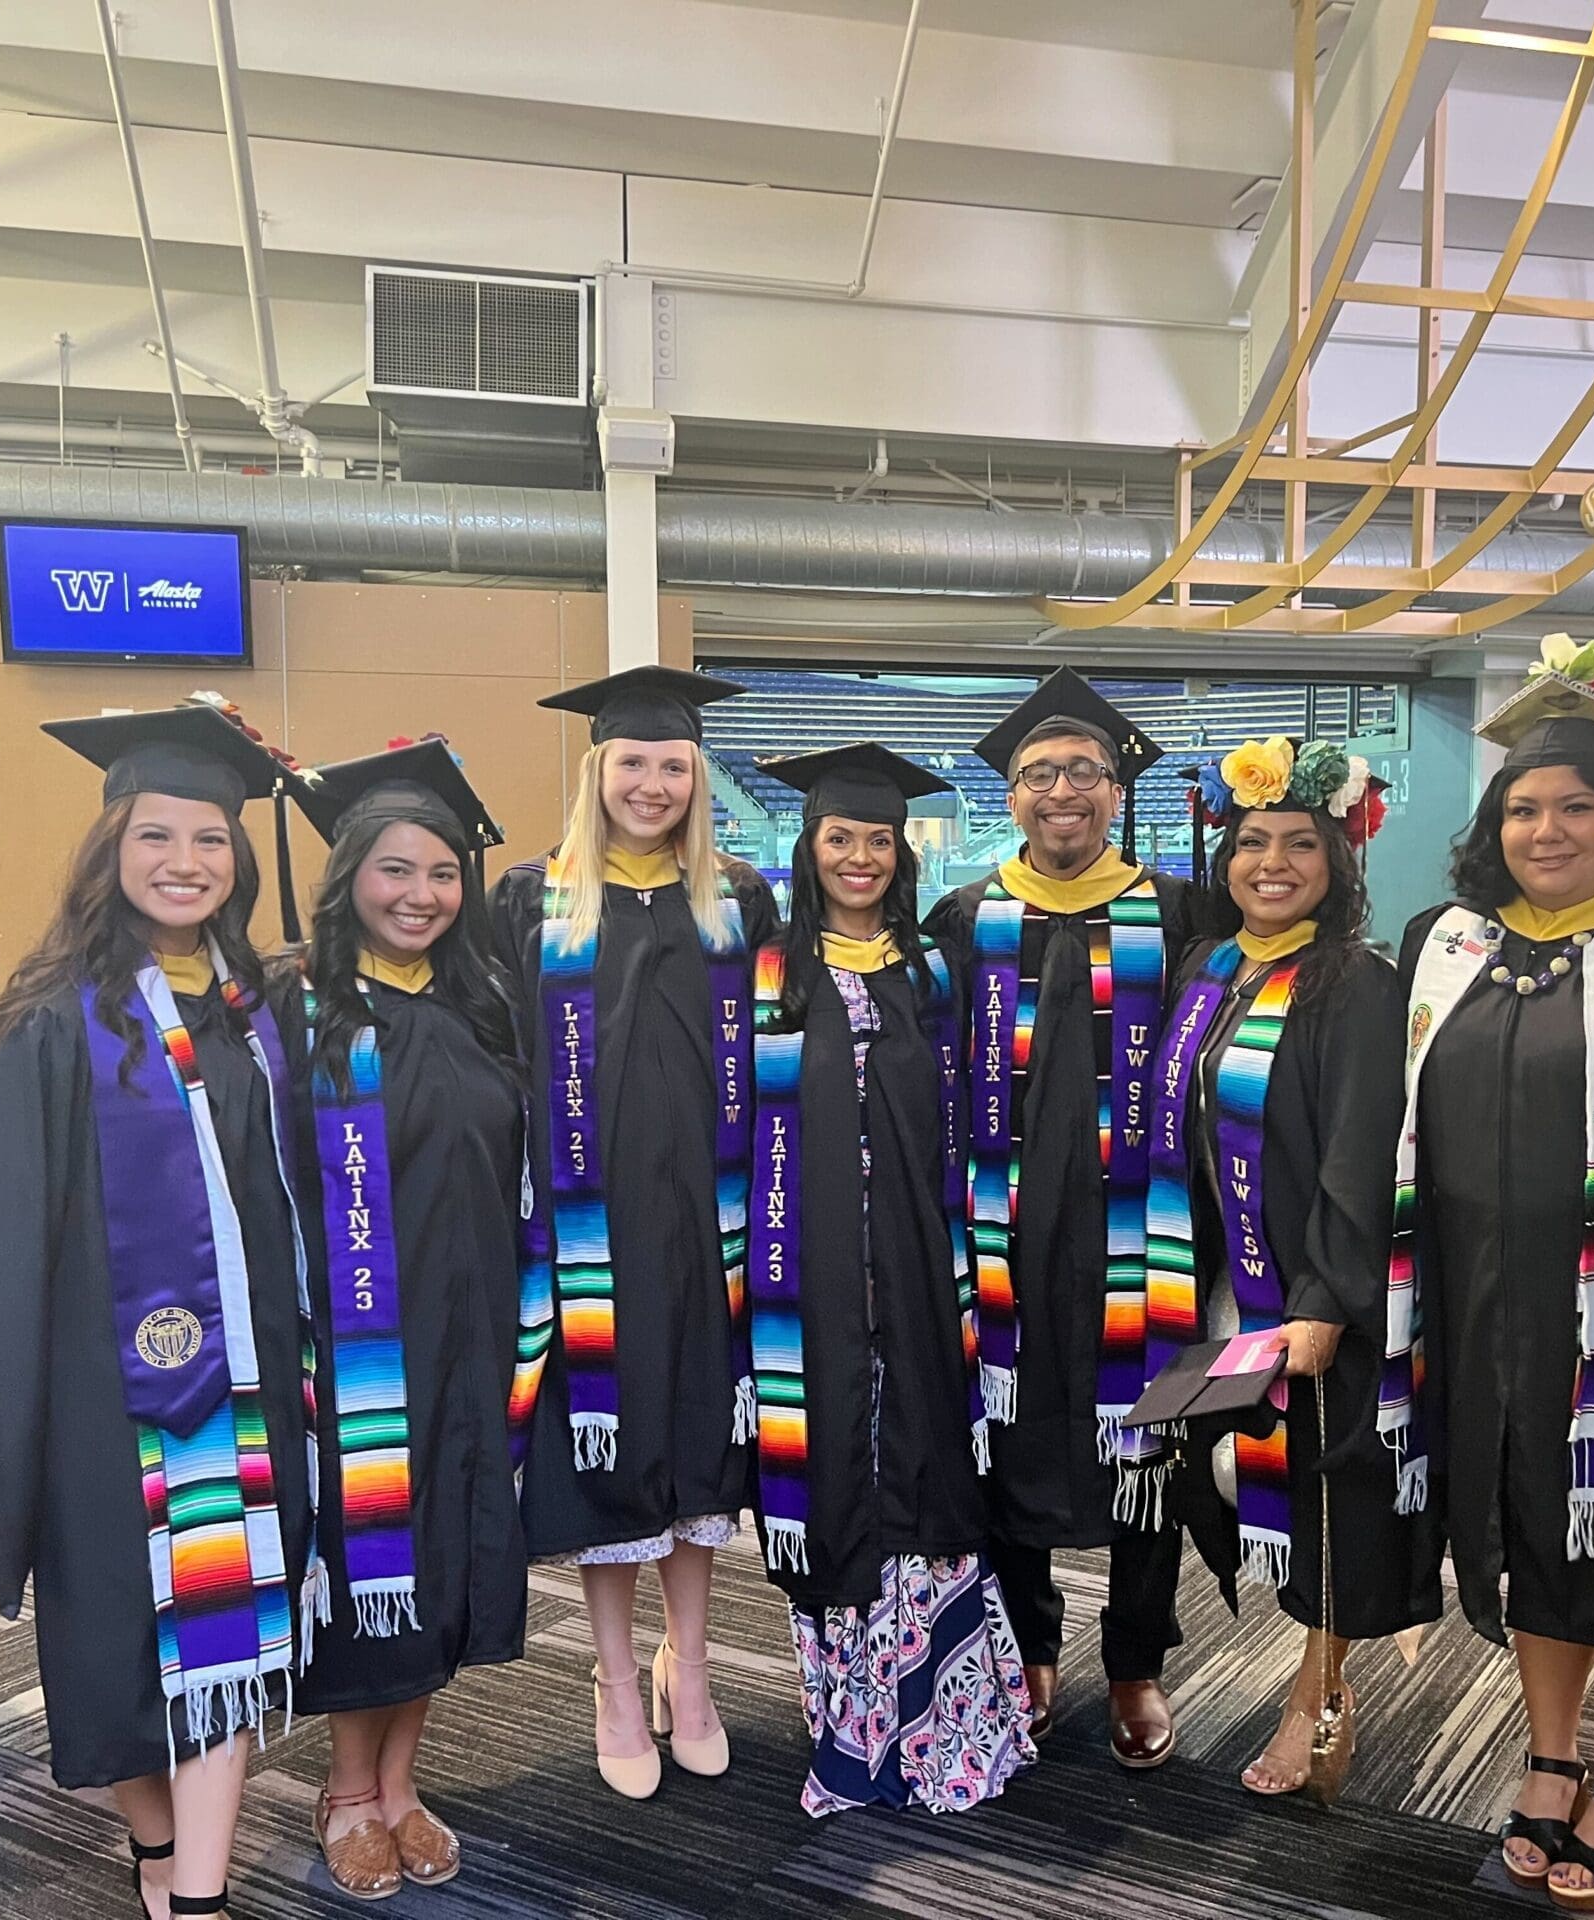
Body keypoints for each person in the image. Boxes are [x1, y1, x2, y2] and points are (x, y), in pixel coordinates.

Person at [0, 701, 318, 1920]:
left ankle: (198, 1894)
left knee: (225, 1649)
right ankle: (158, 1846)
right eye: (156, 835)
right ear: (111, 851)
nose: (185, 863)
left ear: (240, 860)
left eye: (210, 839)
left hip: (249, 1389)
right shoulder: (59, 1028)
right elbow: (2, 1239)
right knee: (109, 1658)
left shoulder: (258, 1016)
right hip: (102, 1398)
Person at [1387, 669, 1594, 1903]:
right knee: (1522, 1524)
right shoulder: (1445, 945)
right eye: (1523, 810)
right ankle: (1548, 1755)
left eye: (1576, 808)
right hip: (1472, 1300)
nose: (1547, 832)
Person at [489, 666, 780, 1800]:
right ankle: (615, 1681)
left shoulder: (736, 900)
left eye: (672, 764)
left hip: (709, 1234)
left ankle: (689, 1670)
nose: (651, 783)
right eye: (632, 762)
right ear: (594, 770)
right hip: (587, 1238)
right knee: (602, 1460)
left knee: (704, 1448)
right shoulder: (534, 899)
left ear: (696, 778)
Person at [744, 743, 1035, 1815]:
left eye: (878, 839)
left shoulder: (931, 972)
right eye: (839, 838)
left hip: (919, 1273)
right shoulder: (769, 971)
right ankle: (849, 1733)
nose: (859, 856)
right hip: (804, 1274)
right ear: (807, 847)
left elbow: (968, 1121)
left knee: (928, 1466)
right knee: (827, 1480)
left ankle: (945, 1726)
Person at [923, 669, 1198, 1767]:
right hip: (1008, 1235)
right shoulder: (965, 918)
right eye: (1039, 773)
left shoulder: (1179, 913)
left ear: (1117, 788)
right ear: (1013, 795)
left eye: (1083, 769)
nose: (1061, 791)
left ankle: (1134, 1662)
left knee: (1145, 1444)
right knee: (1009, 1439)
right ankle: (1027, 1649)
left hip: (1143, 1236)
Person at [1152, 734, 1435, 1801]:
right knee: (1230, 1478)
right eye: (1252, 841)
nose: (1271, 863)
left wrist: (1323, 1303)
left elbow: (1364, 1154)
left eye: (1298, 844)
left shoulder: (1355, 985)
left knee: (1321, 1502)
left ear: (1337, 860)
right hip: (1220, 1279)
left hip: (1310, 1290)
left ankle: (1315, 1696)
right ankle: (1312, 1677)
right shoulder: (1211, 971)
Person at [277, 740, 528, 1894]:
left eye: (440, 871)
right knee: (370, 1544)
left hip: (473, 1323)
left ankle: (404, 1782)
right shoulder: (295, 1009)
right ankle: (345, 1786)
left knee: (448, 1553)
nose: (420, 894)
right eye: (393, 870)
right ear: (348, 880)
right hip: (361, 1335)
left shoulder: (482, 1003)